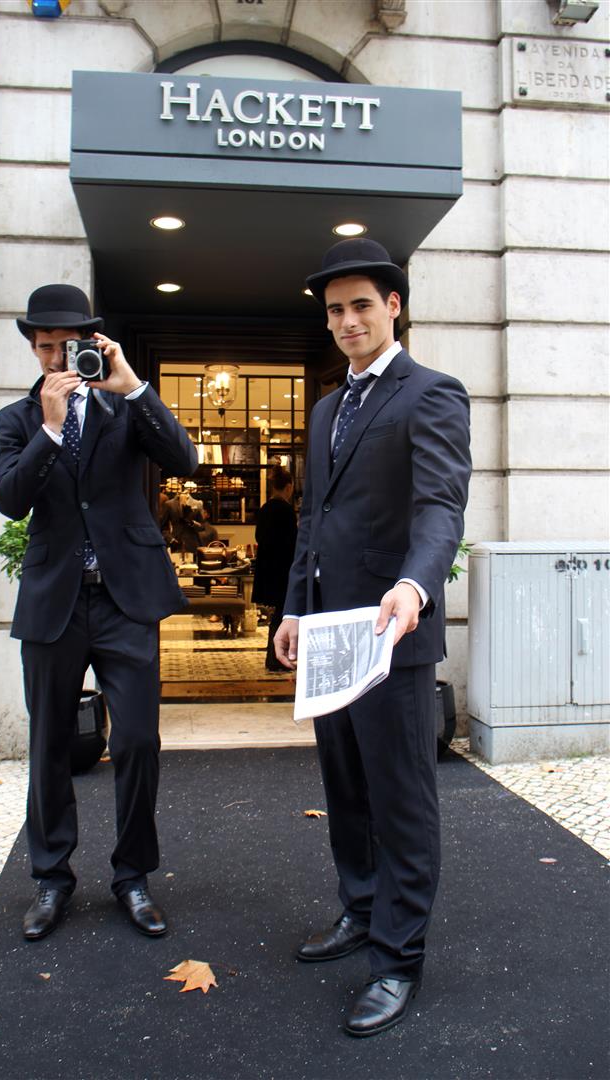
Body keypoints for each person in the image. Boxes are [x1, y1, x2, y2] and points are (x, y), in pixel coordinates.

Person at [274, 238, 471, 1037]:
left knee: (402, 801)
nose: (348, 320)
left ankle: (397, 960)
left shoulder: (432, 393)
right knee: (346, 791)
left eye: (362, 304)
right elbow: (315, 522)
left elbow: (441, 507)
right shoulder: (327, 406)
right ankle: (359, 909)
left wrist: (415, 584)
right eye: (335, 310)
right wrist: (292, 608)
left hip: (394, 630)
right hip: (327, 634)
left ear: (394, 306)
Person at [0, 284, 198, 942]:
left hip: (123, 597)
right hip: (55, 599)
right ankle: (52, 878)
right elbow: (11, 500)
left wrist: (134, 387)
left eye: (70, 346)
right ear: (32, 348)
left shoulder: (122, 406)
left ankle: (133, 875)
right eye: (47, 347)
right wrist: (51, 429)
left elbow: (185, 459)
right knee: (52, 743)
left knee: (137, 738)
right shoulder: (19, 418)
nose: (58, 358)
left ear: (92, 343)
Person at [251, 465, 298, 673]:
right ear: (288, 487)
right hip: (284, 570)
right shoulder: (286, 511)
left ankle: (275, 657)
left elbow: (259, 538)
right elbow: (293, 543)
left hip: (268, 569)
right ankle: (278, 658)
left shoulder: (264, 509)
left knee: (277, 616)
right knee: (282, 615)